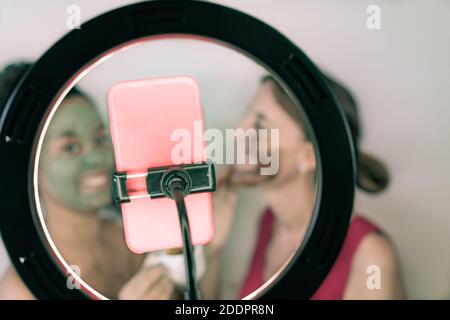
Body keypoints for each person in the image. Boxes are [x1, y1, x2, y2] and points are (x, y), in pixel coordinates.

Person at [209, 75, 406, 299]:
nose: (238, 130)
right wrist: (211, 251)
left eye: (260, 123)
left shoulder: (371, 257)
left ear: (309, 156)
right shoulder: (269, 222)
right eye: (248, 114)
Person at [0, 63, 178, 300]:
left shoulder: (127, 240)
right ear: (28, 168)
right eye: (70, 147)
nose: (97, 157)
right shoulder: (22, 291)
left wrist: (214, 252)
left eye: (100, 138)